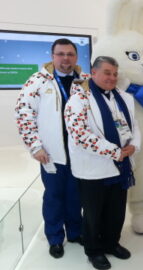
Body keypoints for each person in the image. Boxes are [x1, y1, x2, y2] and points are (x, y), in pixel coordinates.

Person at [64, 56, 140, 270]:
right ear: (93, 72)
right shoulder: (78, 100)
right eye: (107, 72)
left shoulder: (124, 98)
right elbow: (79, 135)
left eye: (115, 73)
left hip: (120, 166)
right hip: (93, 168)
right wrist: (115, 151)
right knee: (93, 213)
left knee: (116, 210)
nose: (112, 77)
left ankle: (111, 242)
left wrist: (134, 146)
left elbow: (135, 128)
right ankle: (94, 249)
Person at [14, 38, 86, 259]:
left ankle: (75, 232)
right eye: (61, 54)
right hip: (52, 154)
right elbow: (23, 113)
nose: (66, 58)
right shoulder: (37, 82)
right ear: (53, 56)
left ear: (76, 57)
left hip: (79, 153)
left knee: (76, 196)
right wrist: (35, 146)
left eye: (70, 54)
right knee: (54, 197)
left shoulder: (83, 81)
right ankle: (55, 238)